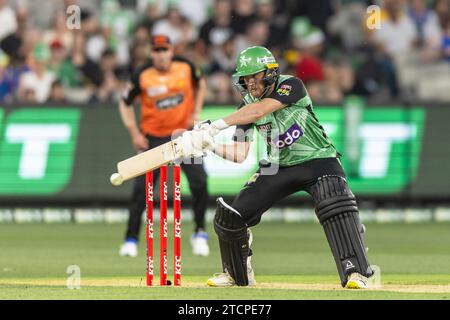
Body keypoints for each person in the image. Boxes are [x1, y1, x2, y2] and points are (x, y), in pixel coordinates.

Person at [183, 46, 373, 289]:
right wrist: (210, 144)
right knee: (231, 216)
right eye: (246, 78)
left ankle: (356, 272)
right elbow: (239, 154)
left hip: (318, 159)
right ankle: (237, 273)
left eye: (255, 76)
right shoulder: (247, 105)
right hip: (278, 166)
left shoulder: (291, 85)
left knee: (334, 203)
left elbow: (260, 110)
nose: (250, 83)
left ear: (270, 73)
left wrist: (216, 125)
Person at [118, 35, 210, 257]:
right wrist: (134, 133)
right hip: (154, 138)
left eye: (164, 50)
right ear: (152, 53)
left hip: (184, 136)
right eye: (157, 51)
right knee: (142, 190)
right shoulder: (142, 74)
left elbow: (201, 84)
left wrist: (196, 112)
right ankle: (130, 239)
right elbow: (125, 102)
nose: (161, 55)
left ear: (171, 51)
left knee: (199, 183)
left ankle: (199, 233)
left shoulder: (186, 67)